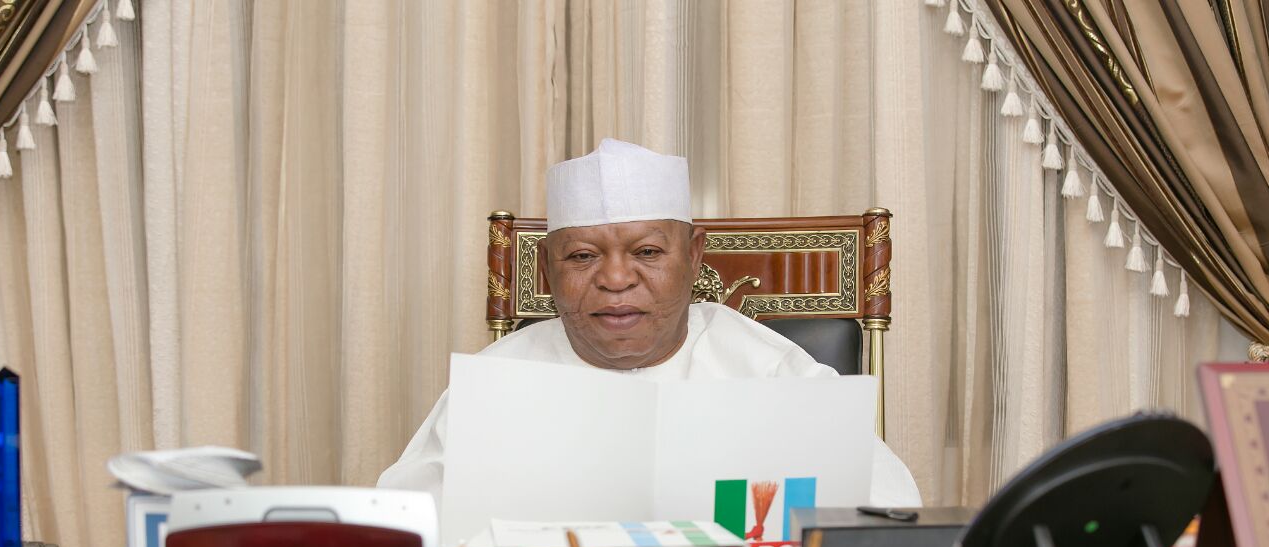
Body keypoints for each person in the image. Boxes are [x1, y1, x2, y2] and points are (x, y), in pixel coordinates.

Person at [379, 138, 920, 507]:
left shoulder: (770, 369)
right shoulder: (494, 384)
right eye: (583, 257)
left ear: (695, 255)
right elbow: (405, 530)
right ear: (546, 268)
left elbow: (888, 507)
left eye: (646, 252)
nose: (616, 279)